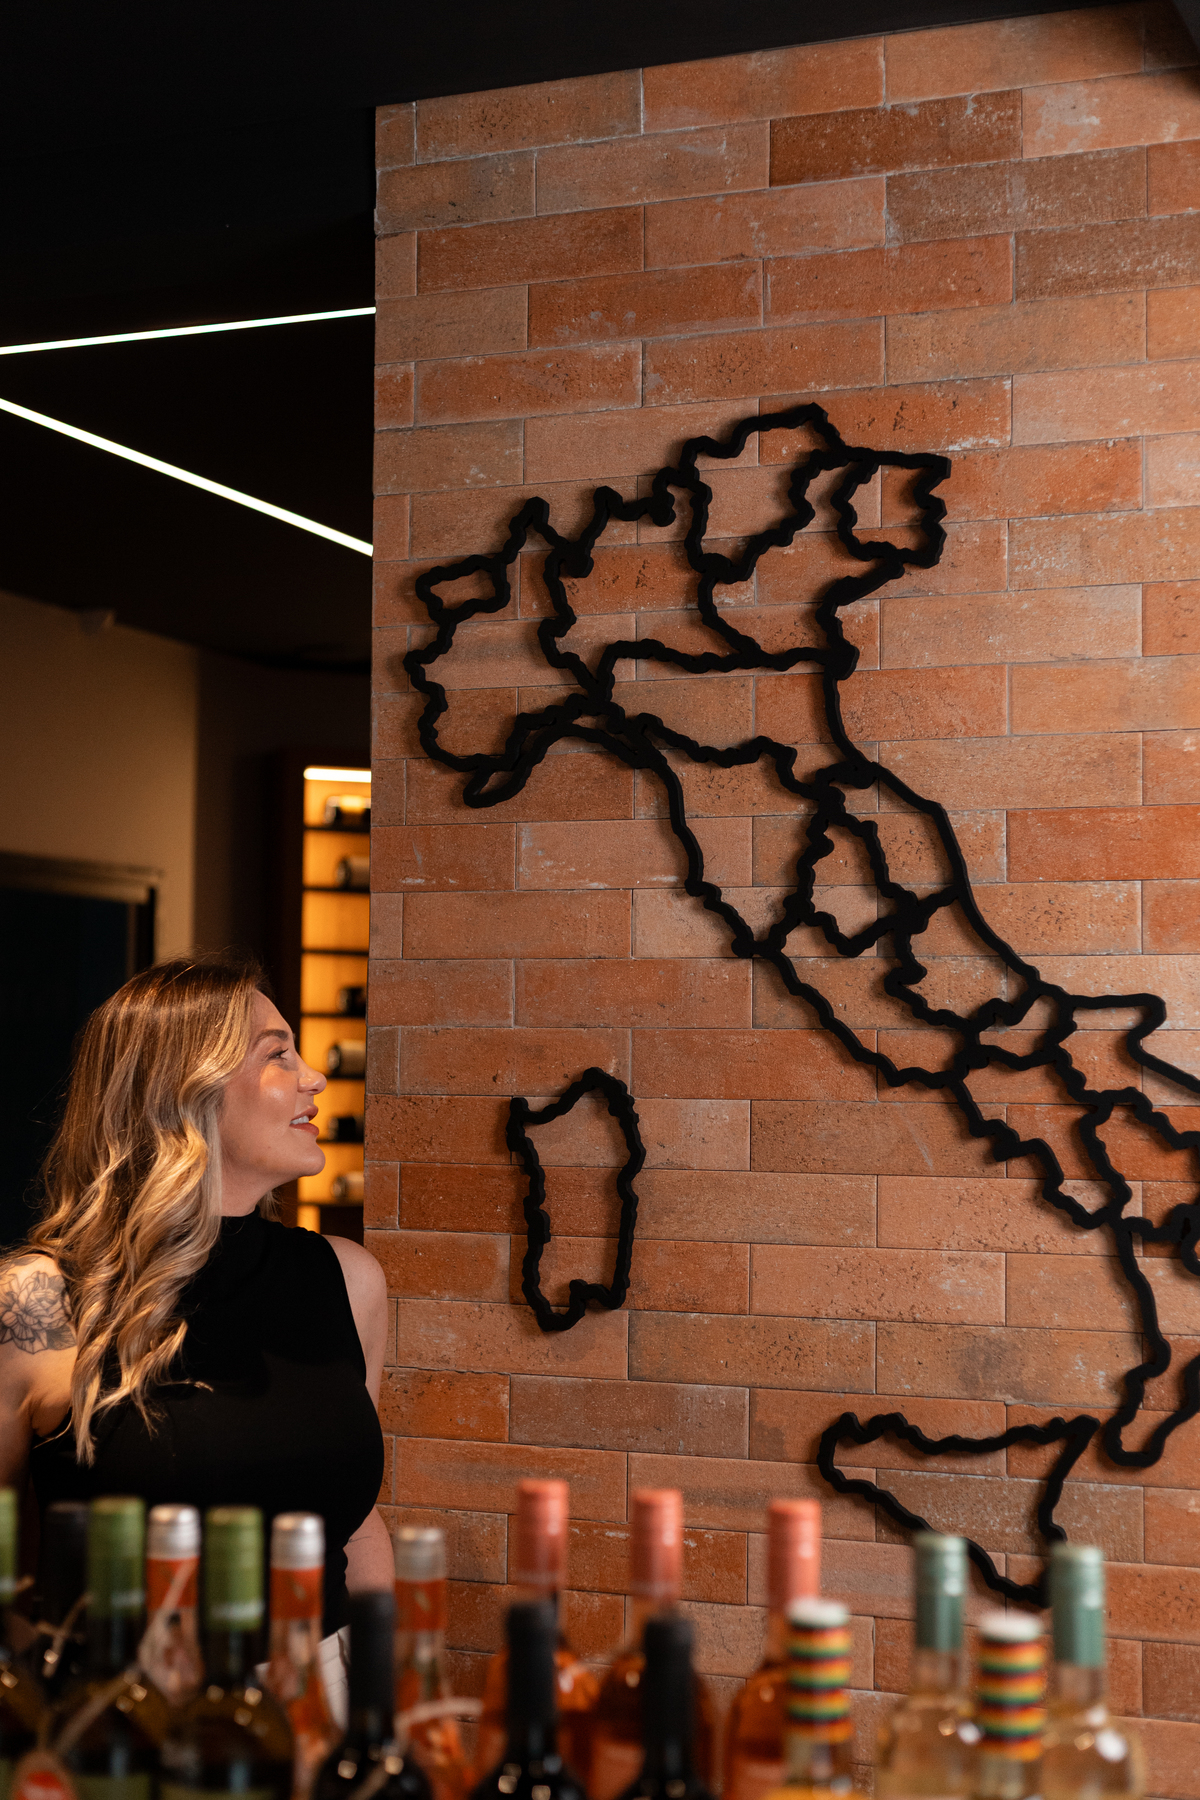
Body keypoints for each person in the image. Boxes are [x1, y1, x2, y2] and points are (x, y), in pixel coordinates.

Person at [0, 956, 389, 1697]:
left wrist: (380, 1695)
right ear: (184, 1089)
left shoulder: (346, 1279)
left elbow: (358, 1523)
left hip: (324, 1702)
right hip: (123, 1713)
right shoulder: (37, 1304)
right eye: (278, 1055)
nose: (314, 1078)